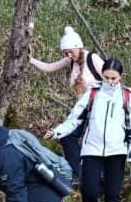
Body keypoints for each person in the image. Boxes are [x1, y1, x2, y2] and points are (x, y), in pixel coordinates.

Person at [46, 58, 131, 202]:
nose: (110, 81)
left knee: (113, 194)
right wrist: (57, 132)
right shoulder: (93, 94)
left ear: (120, 77)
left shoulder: (127, 97)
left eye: (114, 78)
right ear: (102, 75)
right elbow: (74, 119)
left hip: (117, 151)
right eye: (106, 77)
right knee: (89, 189)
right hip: (92, 149)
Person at [29, 26, 104, 186]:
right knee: (66, 136)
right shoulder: (71, 62)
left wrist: (93, 88)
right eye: (65, 53)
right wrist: (29, 59)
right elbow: (49, 67)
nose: (69, 55)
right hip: (82, 111)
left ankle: (101, 179)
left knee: (92, 142)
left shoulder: (93, 59)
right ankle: (79, 174)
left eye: (71, 51)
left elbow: (111, 78)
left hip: (100, 110)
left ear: (78, 46)